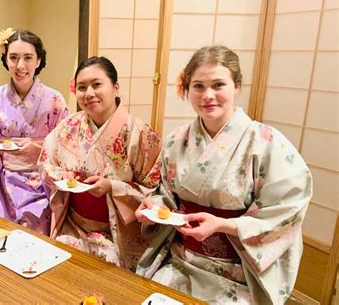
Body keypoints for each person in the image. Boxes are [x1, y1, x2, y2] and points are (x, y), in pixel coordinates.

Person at [135, 45, 312, 304]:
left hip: (238, 273)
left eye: (218, 85)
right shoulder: (175, 141)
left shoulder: (266, 143)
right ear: (187, 89)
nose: (208, 95)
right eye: (198, 86)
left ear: (236, 86)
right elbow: (167, 195)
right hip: (181, 262)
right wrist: (154, 206)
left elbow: (288, 208)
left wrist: (224, 225)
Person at [38, 56, 162, 271]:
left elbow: (155, 189)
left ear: (115, 87)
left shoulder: (140, 133)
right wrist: (61, 177)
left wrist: (112, 187)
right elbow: (46, 164)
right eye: (82, 87)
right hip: (74, 225)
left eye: (97, 84)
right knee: (59, 266)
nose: (89, 93)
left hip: (119, 233)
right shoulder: (68, 126)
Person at [0, 28, 69, 235]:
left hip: (41, 180)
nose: (20, 65)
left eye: (28, 58)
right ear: (6, 60)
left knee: (35, 226)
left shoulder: (54, 100)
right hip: (0, 177)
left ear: (39, 61)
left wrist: (40, 148)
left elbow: (67, 146)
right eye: (13, 57)